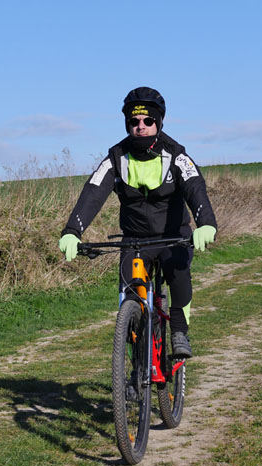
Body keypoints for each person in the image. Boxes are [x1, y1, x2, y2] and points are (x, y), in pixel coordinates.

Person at [59, 86, 217, 358]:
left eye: (148, 120)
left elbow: (195, 186)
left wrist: (206, 223)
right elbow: (93, 192)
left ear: (159, 122)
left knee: (179, 274)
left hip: (173, 237)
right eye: (134, 121)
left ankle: (179, 333)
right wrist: (73, 231)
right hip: (135, 240)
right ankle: (136, 361)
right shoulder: (117, 157)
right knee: (130, 294)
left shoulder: (176, 155)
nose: (140, 126)